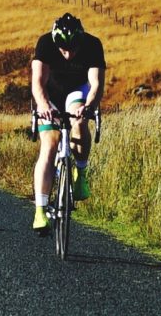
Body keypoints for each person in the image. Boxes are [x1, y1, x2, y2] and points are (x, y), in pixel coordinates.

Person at [29, 12, 106, 230]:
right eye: (63, 49)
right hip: (51, 94)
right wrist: (44, 108)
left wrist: (88, 107)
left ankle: (80, 172)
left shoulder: (92, 45)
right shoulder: (45, 43)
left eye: (72, 49)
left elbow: (97, 84)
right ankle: (40, 211)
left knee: (79, 122)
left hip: (77, 91)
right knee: (49, 144)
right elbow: (38, 83)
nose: (68, 54)